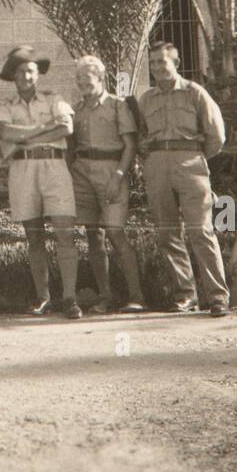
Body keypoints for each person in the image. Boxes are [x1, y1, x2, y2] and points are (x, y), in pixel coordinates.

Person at [138, 39, 230, 317]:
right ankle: (185, 296)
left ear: (176, 63)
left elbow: (217, 136)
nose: (157, 68)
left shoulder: (195, 93)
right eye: (153, 63)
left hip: (190, 164)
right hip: (157, 166)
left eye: (162, 62)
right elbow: (141, 137)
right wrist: (153, 161)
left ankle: (217, 297)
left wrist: (194, 158)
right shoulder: (146, 99)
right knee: (168, 233)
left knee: (201, 231)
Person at [0, 46, 82, 320]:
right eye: (19, 72)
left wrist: (27, 136)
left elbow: (66, 127)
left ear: (38, 75)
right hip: (23, 169)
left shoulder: (54, 99)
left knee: (64, 233)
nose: (25, 76)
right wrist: (44, 130)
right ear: (12, 76)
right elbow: (6, 131)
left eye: (30, 71)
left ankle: (70, 297)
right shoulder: (6, 106)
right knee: (33, 235)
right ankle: (43, 297)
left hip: (54, 166)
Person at [70, 55, 146, 313]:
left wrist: (118, 176)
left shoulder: (117, 105)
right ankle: (106, 296)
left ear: (100, 79)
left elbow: (130, 144)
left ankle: (137, 296)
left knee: (114, 231)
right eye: (79, 78)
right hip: (82, 173)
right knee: (93, 234)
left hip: (111, 171)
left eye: (87, 77)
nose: (83, 82)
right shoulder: (76, 110)